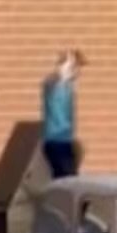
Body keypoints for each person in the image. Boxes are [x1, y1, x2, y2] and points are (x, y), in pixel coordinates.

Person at [41, 50, 86, 179]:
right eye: (74, 68)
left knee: (68, 179)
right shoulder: (53, 84)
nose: (77, 72)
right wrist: (66, 65)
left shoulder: (68, 87)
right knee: (67, 180)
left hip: (65, 140)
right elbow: (54, 80)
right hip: (56, 141)